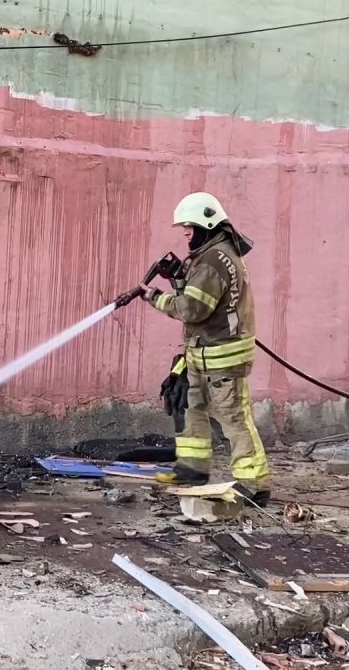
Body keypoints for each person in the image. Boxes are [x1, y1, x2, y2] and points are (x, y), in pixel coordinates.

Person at [143, 192, 271, 504]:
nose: (185, 232)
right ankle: (192, 469)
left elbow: (192, 309)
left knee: (233, 417)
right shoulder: (210, 255)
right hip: (202, 352)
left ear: (208, 223)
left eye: (189, 225)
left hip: (222, 355)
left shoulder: (214, 259)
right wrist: (179, 279)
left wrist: (155, 297)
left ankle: (254, 485)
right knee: (192, 407)